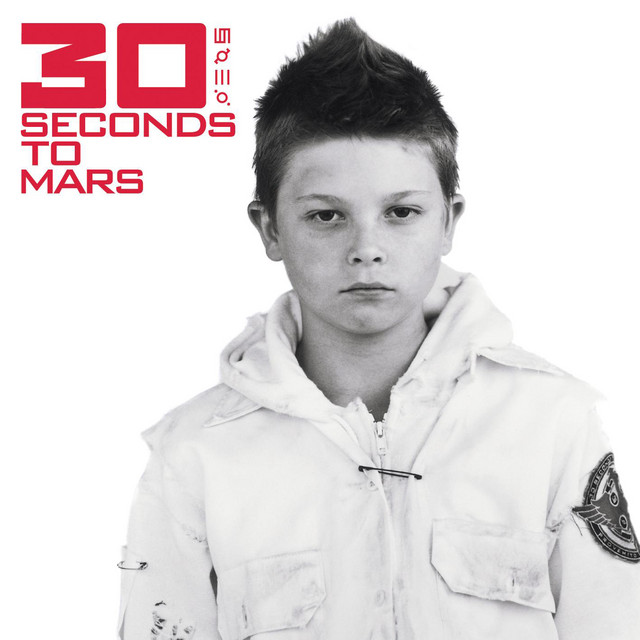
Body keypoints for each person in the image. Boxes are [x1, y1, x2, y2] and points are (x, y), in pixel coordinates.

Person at [118, 19, 640, 640]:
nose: (367, 248)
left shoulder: (550, 422)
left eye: (401, 212)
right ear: (270, 229)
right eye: (326, 216)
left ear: (448, 222)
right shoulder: (193, 455)